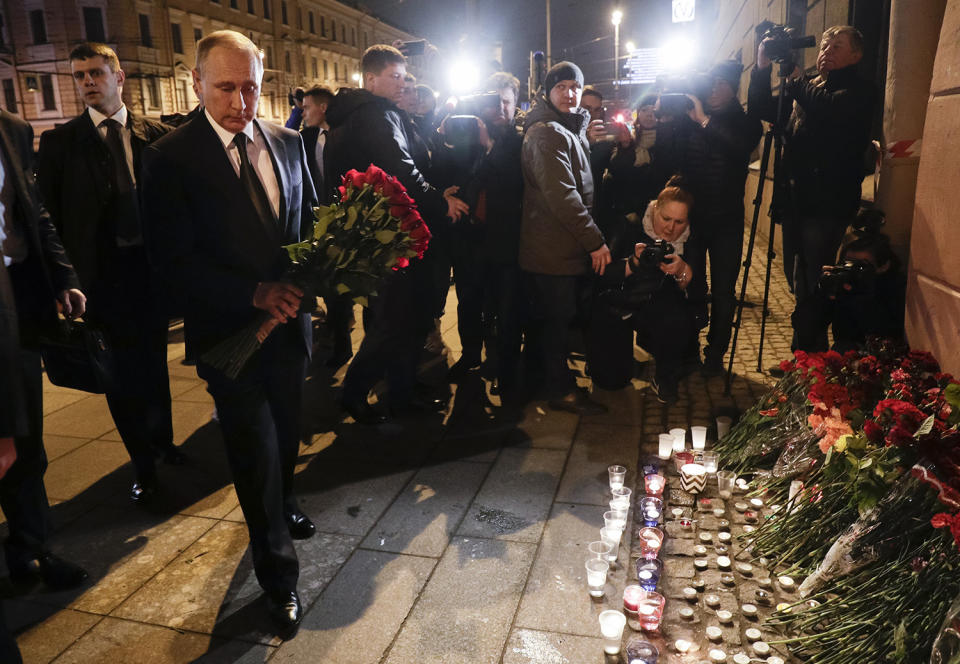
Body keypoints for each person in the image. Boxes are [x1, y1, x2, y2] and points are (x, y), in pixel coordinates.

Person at [140, 30, 317, 633]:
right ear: (195, 82)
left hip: (291, 334)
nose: (241, 102)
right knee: (254, 455)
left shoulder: (289, 143)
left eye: (252, 87)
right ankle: (279, 578)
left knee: (288, 437)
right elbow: (171, 262)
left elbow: (310, 231)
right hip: (229, 340)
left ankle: (284, 503)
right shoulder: (170, 159)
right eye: (226, 88)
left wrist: (308, 285)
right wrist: (253, 294)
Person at [36, 43, 179, 504]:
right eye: (79, 76)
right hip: (99, 281)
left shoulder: (155, 135)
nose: (87, 82)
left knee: (155, 364)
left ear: (120, 77)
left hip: (151, 274)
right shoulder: (60, 144)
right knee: (119, 376)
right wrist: (62, 281)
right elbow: (49, 217)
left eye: (96, 72)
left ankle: (163, 442)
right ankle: (143, 466)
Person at [324, 44, 467, 424]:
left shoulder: (369, 113)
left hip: (381, 231)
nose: (403, 84)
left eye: (405, 77)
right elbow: (401, 169)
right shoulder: (373, 113)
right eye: (395, 77)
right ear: (371, 79)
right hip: (386, 234)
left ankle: (402, 393)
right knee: (393, 321)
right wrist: (440, 201)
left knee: (405, 319)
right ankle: (354, 393)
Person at [0, 109, 89, 594]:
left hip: (15, 299)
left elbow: (34, 211)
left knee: (24, 436)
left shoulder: (11, 128)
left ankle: (30, 547)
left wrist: (63, 276)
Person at [749, 25, 877, 351]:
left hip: (827, 205)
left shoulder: (859, 92)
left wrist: (795, 80)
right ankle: (808, 355)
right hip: (797, 202)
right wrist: (761, 66)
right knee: (799, 282)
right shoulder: (809, 87)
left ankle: (811, 359)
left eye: (837, 47)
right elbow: (760, 108)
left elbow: (831, 111)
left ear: (856, 55)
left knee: (815, 283)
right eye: (823, 46)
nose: (826, 52)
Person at [520, 61, 611, 415]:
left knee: (557, 318)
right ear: (547, 91)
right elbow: (563, 195)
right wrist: (594, 241)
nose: (570, 93)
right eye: (561, 87)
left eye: (575, 86)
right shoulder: (547, 132)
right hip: (551, 248)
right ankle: (558, 389)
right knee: (556, 321)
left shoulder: (565, 128)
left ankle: (549, 379)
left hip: (559, 246)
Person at [432, 72, 525, 400]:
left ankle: (506, 369)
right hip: (470, 238)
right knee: (469, 303)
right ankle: (471, 356)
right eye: (493, 101)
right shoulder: (465, 136)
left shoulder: (521, 141)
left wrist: (489, 148)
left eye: (506, 101)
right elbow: (449, 173)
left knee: (507, 309)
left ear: (515, 105)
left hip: (507, 239)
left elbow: (517, 183)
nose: (499, 108)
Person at [682, 61, 762, 376]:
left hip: (726, 219)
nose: (713, 89)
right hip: (692, 219)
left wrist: (703, 120)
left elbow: (740, 147)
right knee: (691, 285)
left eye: (720, 83)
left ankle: (715, 353)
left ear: (733, 87)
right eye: (710, 82)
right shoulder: (689, 118)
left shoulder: (745, 122)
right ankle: (688, 348)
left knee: (724, 291)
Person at [590, 177, 699, 403]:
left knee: (676, 319)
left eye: (679, 222)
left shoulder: (690, 240)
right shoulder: (630, 225)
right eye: (666, 218)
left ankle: (665, 375)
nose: (671, 227)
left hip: (661, 308)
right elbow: (603, 275)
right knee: (611, 381)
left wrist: (681, 269)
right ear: (655, 209)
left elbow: (694, 289)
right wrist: (633, 263)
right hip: (621, 301)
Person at [793, 211, 905, 352]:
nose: (853, 271)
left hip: (882, 359)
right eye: (848, 263)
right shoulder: (844, 283)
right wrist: (821, 293)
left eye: (861, 266)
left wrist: (863, 296)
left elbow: (887, 332)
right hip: (845, 353)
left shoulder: (895, 287)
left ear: (884, 266)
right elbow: (804, 327)